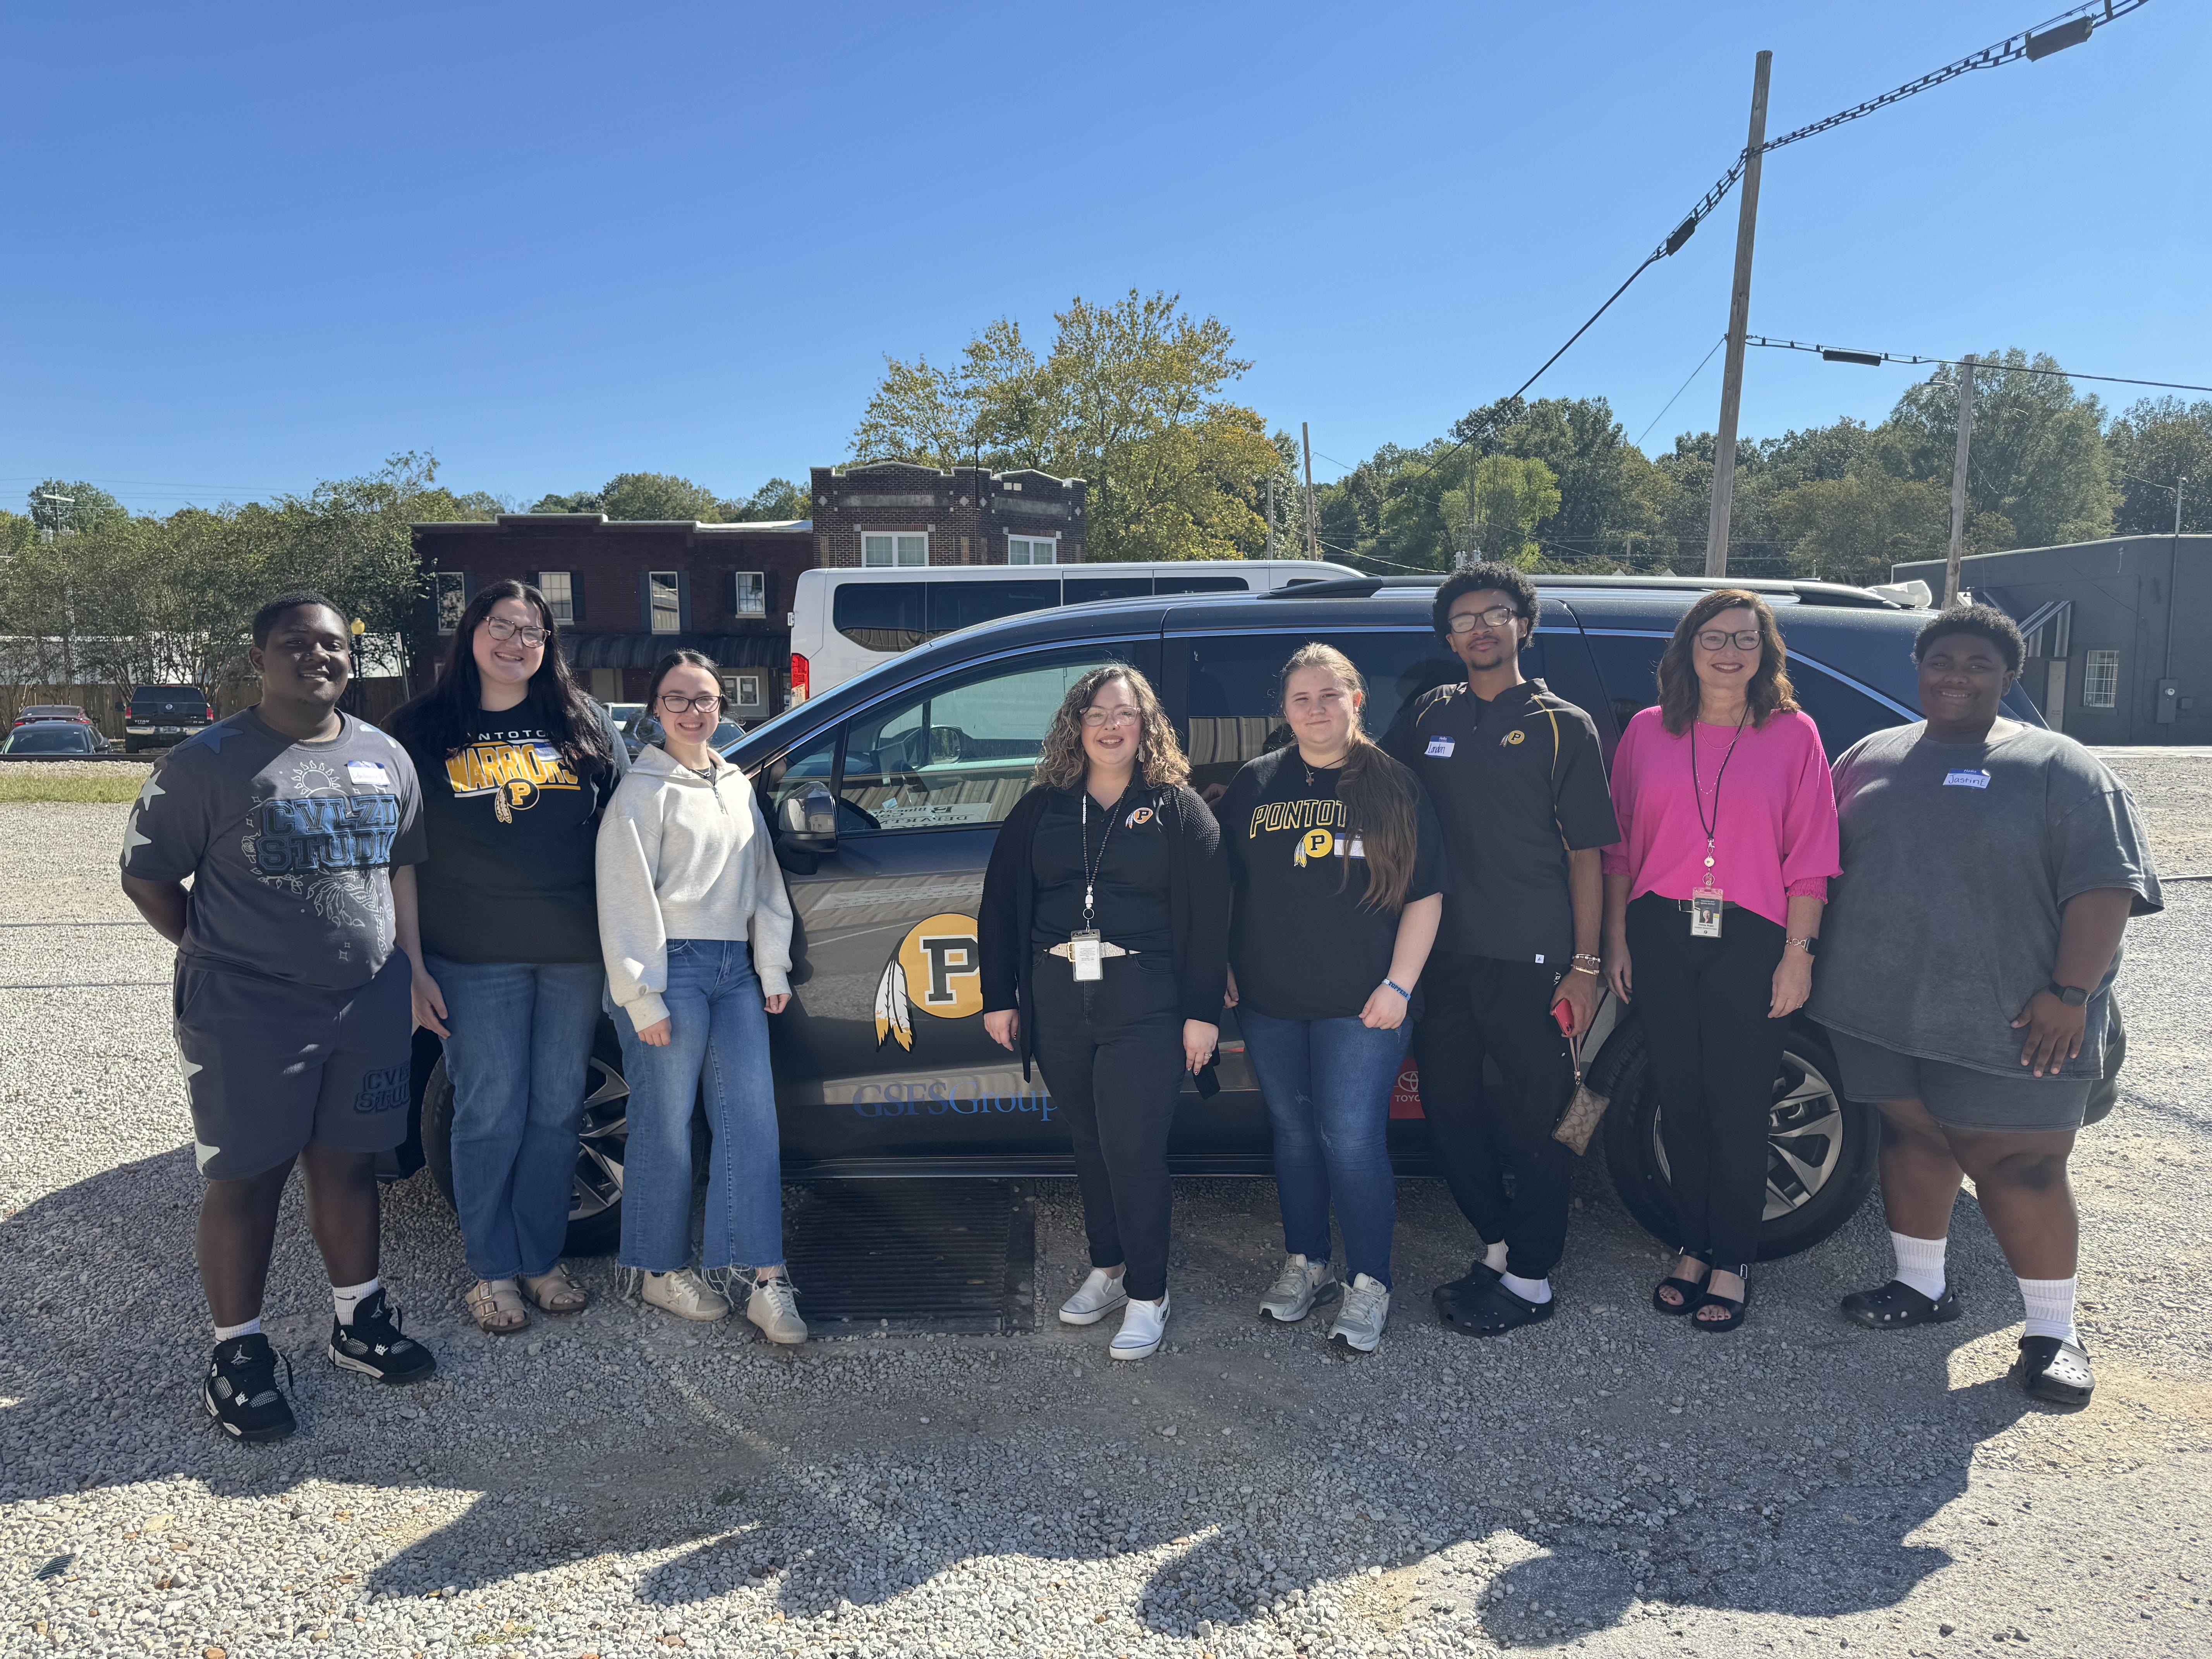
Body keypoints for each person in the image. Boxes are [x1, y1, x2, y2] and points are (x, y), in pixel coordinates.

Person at [1810, 605, 2159, 1406]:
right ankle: (1921, 1286)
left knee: (2022, 1167)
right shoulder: (1871, 755)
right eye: (1942, 662)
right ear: (1919, 669)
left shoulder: (2063, 769)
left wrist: (2070, 995)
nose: (1955, 677)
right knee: (1913, 1139)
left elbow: (2107, 890)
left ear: (2011, 675)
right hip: (1878, 1009)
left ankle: (2052, 1333)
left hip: (2016, 1018)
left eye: (1976, 664)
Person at [120, 592, 437, 1443]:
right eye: (296, 645)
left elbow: (400, 867)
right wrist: (218, 952)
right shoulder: (206, 762)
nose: (319, 657)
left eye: (333, 645)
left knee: (350, 1166)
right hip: (247, 1012)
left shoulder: (385, 757)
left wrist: (410, 968)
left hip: (367, 1003)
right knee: (247, 1176)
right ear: (259, 659)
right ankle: (239, 1352)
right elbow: (148, 878)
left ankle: (358, 1321)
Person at [385, 580, 627, 1336]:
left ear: (549, 647)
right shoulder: (423, 730)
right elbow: (401, 861)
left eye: (533, 632)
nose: (516, 642)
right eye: (502, 626)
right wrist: (413, 968)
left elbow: (627, 839)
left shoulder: (584, 723)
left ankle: (541, 1259)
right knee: (489, 1114)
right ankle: (492, 1273)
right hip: (470, 960)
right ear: (471, 633)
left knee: (556, 1112)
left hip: (572, 959)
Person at [1382, 563, 1619, 1337]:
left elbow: (1590, 854)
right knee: (1448, 1111)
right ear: (1448, 636)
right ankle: (1498, 1246)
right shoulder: (1428, 715)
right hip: (1444, 958)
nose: (1480, 628)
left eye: (1497, 614)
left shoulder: (1563, 724)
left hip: (1535, 961)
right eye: (1464, 619)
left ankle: (1533, 1277)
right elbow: (1367, 781)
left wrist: (1585, 970)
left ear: (1524, 623)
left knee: (1552, 1118)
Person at [1601, 589, 1838, 1332]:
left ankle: (1733, 1257)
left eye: (1745, 638)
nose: (1729, 651)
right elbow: (1619, 850)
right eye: (1714, 637)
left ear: (1765, 652)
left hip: (1755, 937)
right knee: (1682, 1101)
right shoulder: (1646, 732)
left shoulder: (1794, 734)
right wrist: (1615, 940)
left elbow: (1812, 856)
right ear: (1688, 649)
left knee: (1739, 1109)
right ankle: (1692, 1246)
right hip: (1660, 932)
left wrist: (1798, 955)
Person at [979, 666, 1228, 1361]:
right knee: (1089, 1144)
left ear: (1146, 727)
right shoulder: (1041, 810)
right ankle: (1110, 1270)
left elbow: (1212, 921)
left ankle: (1150, 1293)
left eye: (1125, 715)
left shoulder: (1178, 811)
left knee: (1134, 1150)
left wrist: (1202, 1014)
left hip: (1144, 1002)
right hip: (1057, 1000)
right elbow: (999, 906)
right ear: (1076, 726)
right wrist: (1000, 996)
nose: (1111, 726)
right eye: (1097, 714)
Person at [1219, 644, 1446, 1353]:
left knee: (1350, 1139)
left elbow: (1427, 894)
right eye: (1301, 699)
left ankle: (1370, 1282)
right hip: (1269, 999)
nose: (1315, 710)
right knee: (1293, 1134)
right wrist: (1222, 964)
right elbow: (1225, 887)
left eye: (1329, 695)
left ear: (1356, 701)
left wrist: (1399, 985)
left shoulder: (1396, 786)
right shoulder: (1255, 784)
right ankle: (1307, 1262)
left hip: (1364, 1005)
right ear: (1283, 711)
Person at [595, 649, 803, 1342]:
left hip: (735, 971)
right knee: (667, 1126)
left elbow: (765, 884)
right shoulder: (640, 793)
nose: (694, 712)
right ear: (655, 709)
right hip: (669, 969)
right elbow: (624, 900)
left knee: (753, 1123)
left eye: (706, 699)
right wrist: (641, 997)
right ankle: (658, 1271)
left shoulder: (737, 786)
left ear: (722, 708)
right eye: (678, 699)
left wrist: (771, 968)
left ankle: (759, 1277)